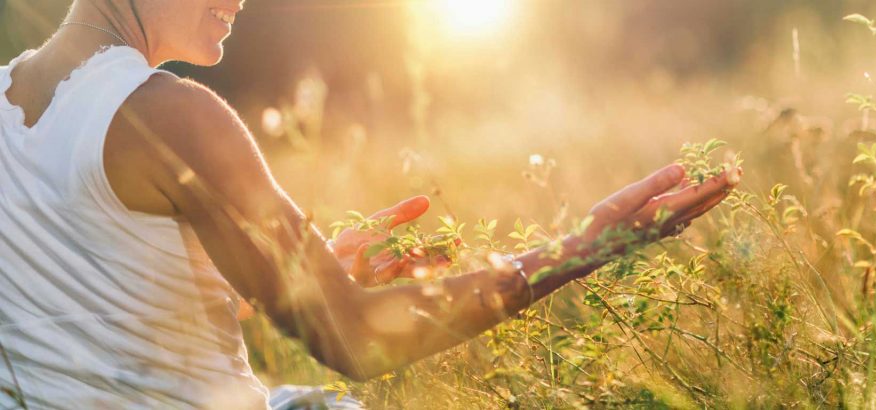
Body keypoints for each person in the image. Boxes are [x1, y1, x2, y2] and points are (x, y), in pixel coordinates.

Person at [0, 0, 738, 408]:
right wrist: (590, 244)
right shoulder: (174, 118)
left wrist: (265, 288)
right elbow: (353, 342)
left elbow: (69, 313)